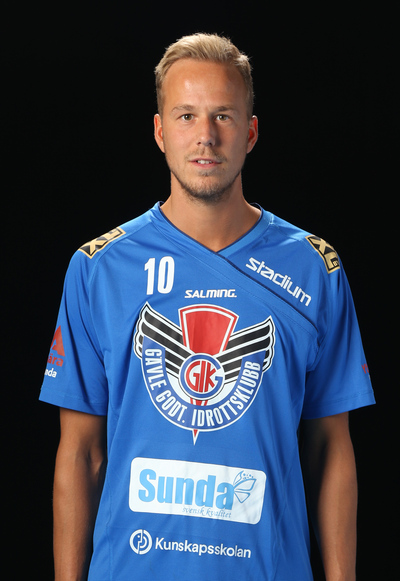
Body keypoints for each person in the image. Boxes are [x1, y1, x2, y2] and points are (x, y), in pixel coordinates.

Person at [40, 33, 375, 581]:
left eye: (223, 116)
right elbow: (80, 453)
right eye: (186, 116)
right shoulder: (99, 268)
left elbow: (331, 448)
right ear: (159, 132)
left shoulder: (315, 268)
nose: (206, 136)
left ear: (251, 132)